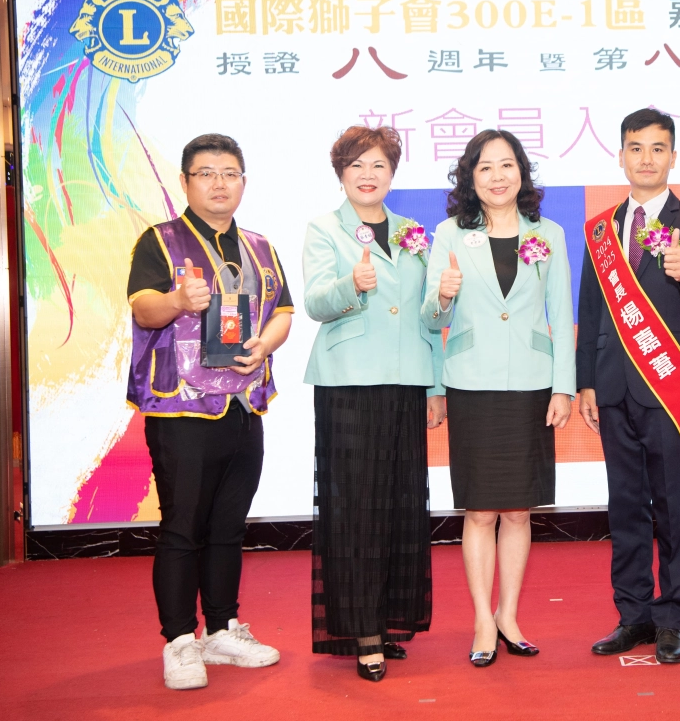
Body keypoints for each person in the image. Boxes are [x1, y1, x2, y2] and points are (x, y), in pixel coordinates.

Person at [126, 133, 292, 690]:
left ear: (243, 181)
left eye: (229, 173)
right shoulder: (160, 241)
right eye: (206, 173)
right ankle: (179, 639)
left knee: (228, 525)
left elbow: (282, 311)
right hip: (181, 408)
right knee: (182, 526)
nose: (219, 184)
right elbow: (144, 310)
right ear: (185, 182)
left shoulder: (261, 247)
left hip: (244, 403)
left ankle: (221, 629)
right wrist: (177, 301)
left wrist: (266, 344)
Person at [577, 108, 680, 664]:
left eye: (657, 148)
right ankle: (633, 615)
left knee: (671, 505)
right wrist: (585, 384)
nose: (646, 158)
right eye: (636, 148)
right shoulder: (601, 230)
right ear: (621, 155)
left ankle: (669, 619)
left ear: (673, 156)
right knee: (625, 506)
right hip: (613, 387)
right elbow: (590, 311)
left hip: (668, 385)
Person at [421, 129, 575, 667]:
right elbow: (430, 318)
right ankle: (482, 622)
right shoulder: (449, 234)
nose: (497, 176)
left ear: (521, 172)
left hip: (531, 383)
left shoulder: (548, 233)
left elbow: (561, 314)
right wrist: (442, 297)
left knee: (518, 512)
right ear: (471, 177)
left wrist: (563, 386)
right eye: (485, 167)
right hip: (471, 384)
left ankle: (508, 615)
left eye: (506, 165)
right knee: (481, 511)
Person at [303, 126, 446, 682]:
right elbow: (316, 302)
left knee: (400, 506)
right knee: (355, 510)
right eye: (357, 165)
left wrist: (435, 386)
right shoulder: (324, 228)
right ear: (341, 172)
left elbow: (428, 316)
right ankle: (362, 629)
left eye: (379, 165)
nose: (368, 175)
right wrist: (351, 283)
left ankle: (387, 620)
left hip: (407, 381)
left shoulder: (413, 232)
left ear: (392, 173)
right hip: (349, 384)